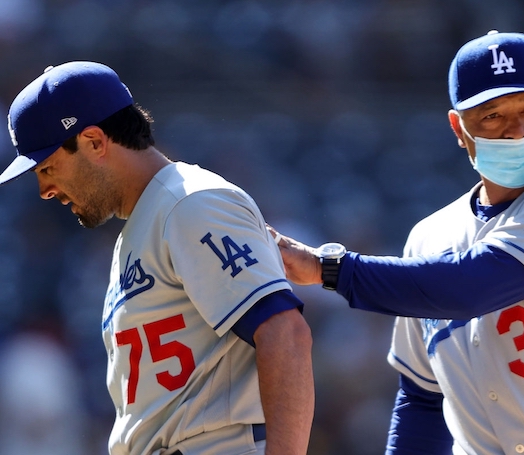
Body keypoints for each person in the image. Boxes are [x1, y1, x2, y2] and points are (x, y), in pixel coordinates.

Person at [269, 30, 524, 455]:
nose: (517, 129)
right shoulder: (429, 238)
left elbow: (469, 287)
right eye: (492, 115)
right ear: (458, 127)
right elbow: (424, 399)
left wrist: (327, 268)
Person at [0, 61, 314, 455]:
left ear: (95, 141)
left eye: (47, 167)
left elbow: (285, 335)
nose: (44, 189)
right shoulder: (143, 224)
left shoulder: (190, 203)